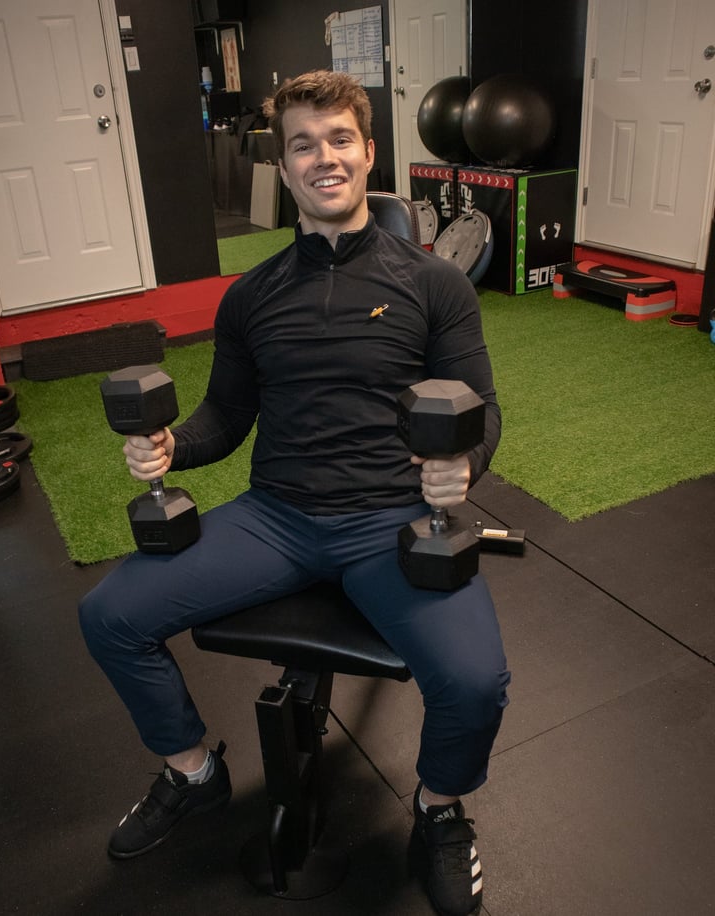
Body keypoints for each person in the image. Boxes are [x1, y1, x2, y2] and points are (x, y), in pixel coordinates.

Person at [79, 69, 510, 916]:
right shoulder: (251, 295)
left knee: (473, 681)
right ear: (283, 169)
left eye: (340, 139)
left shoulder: (434, 285)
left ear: (369, 153)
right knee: (108, 615)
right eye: (304, 145)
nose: (324, 159)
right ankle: (193, 773)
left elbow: (482, 410)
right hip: (275, 518)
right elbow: (225, 417)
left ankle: (438, 808)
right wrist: (171, 444)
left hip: (393, 518)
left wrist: (465, 469)